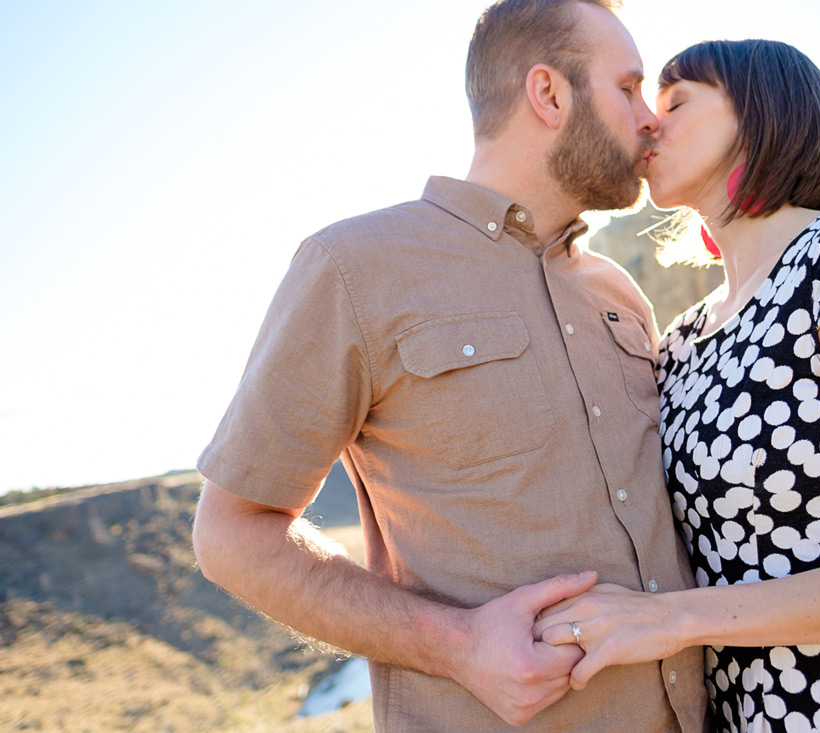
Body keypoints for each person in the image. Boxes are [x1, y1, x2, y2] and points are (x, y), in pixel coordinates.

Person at [190, 1, 709, 730]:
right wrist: (458, 644)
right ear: (549, 94)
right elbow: (231, 533)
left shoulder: (617, 293)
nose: (648, 117)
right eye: (627, 88)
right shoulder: (354, 267)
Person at [534, 40, 820, 732]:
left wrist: (671, 620)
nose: (649, 125)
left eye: (677, 102)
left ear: (758, 112)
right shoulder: (683, 341)